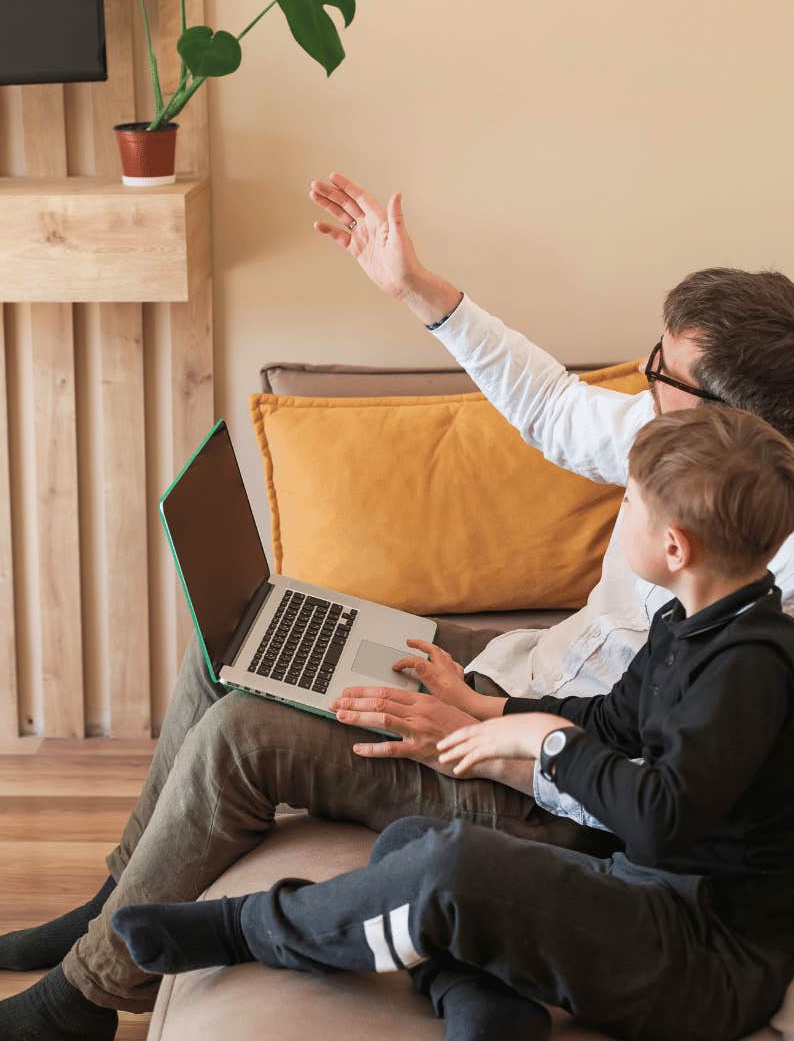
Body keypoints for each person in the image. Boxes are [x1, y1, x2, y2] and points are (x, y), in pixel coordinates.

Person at [0, 175, 794, 1038]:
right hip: (514, 685)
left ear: (731, 422)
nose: (643, 385)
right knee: (243, 638)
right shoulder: (684, 450)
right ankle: (112, 901)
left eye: (663, 373)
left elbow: (670, 800)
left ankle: (81, 1000)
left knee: (248, 733)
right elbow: (551, 407)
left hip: (551, 805)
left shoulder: (755, 581)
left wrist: (498, 742)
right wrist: (416, 289)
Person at [111, 405, 794, 1041]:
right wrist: (484, 707)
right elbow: (614, 718)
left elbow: (660, 818)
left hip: (706, 962)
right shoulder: (689, 622)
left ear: (675, 548)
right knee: (413, 841)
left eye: (632, 505)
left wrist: (548, 744)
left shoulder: (751, 669)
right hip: (647, 892)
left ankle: (244, 928)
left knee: (452, 868)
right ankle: (480, 1002)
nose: (622, 513)